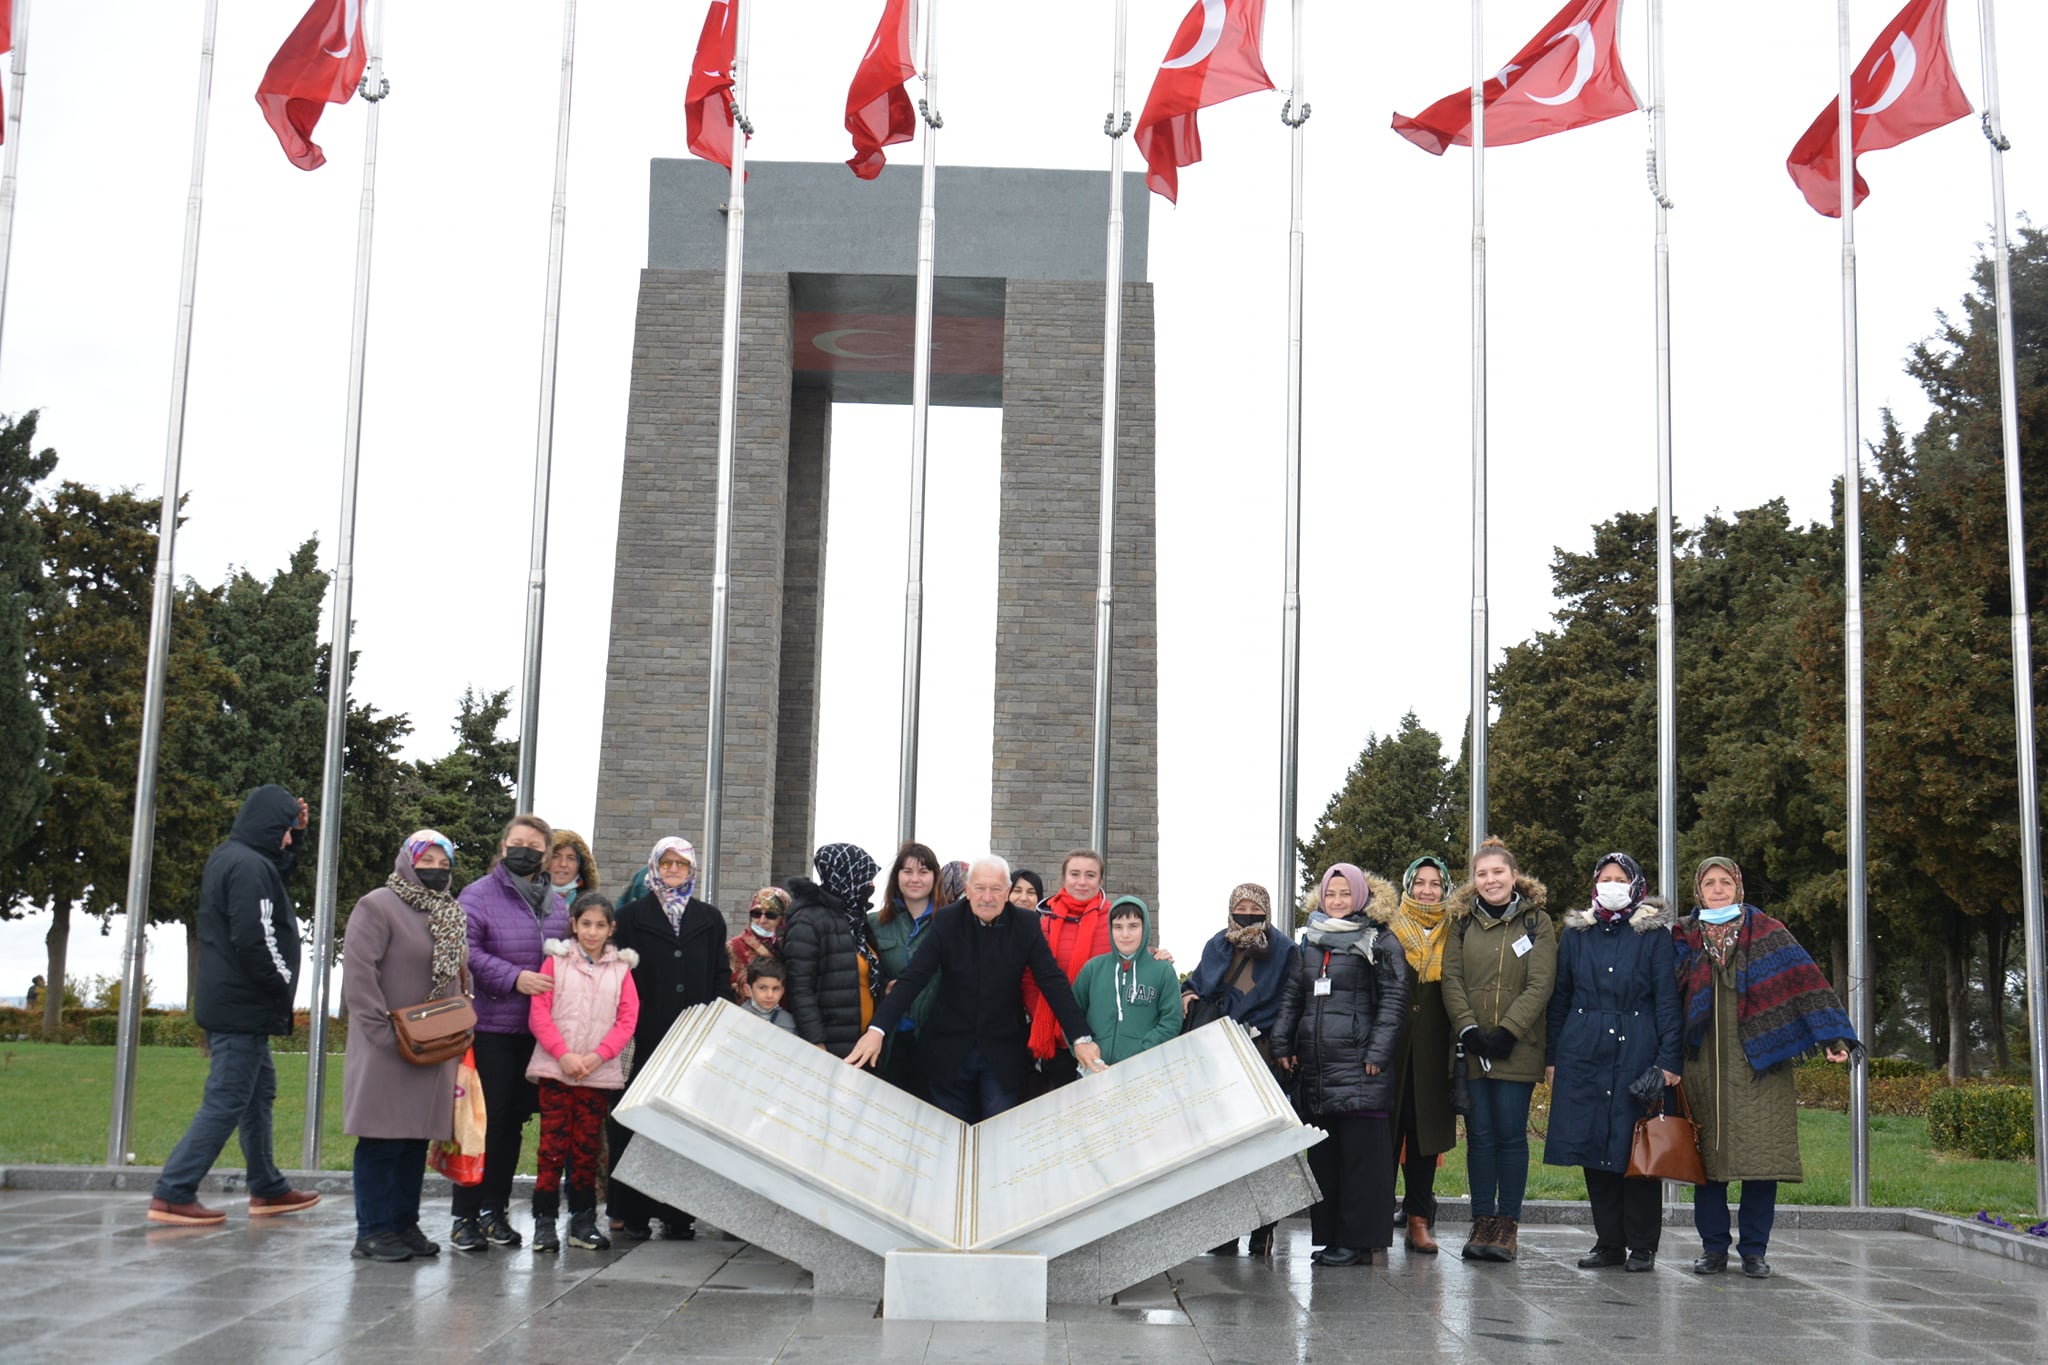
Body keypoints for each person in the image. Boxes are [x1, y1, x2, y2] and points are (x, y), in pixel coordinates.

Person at [1674, 857, 1857, 1279]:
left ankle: (1754, 1250)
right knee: (1707, 1167)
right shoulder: (1682, 938)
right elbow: (1664, 999)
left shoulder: (1770, 933)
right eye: (1709, 883)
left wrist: (1833, 1036)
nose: (1717, 889)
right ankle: (1713, 1250)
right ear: (1698, 892)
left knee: (1762, 1163)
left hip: (1762, 1065)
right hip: (1701, 1068)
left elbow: (1806, 983)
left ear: (1738, 888)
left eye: (1725, 882)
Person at [148, 784, 322, 1227]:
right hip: (241, 1007)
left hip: (237, 1004)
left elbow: (275, 874)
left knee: (257, 1094)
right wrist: (283, 983)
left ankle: (267, 1188)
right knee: (227, 1099)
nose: (287, 839)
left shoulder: (241, 857)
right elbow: (255, 937)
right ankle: (173, 1191)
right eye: (284, 830)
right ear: (267, 826)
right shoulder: (247, 866)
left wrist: (299, 833)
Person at [846, 856, 1104, 1122]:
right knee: (948, 1132)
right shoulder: (947, 920)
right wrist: (877, 1030)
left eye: (996, 889)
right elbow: (913, 978)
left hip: (1002, 1051)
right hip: (949, 1050)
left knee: (998, 1131)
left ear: (1007, 892)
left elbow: (1052, 981)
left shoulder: (1026, 924)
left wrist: (1081, 1039)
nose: (987, 897)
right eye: (980, 888)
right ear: (967, 891)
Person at [1545, 851, 1681, 1273]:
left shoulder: (1655, 936)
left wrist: (1668, 1060)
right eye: (1605, 877)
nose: (1612, 884)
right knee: (1594, 1144)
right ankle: (1609, 1242)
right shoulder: (1576, 935)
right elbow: (1560, 998)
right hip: (1584, 1049)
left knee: (1635, 1147)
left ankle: (1642, 1245)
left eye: (1620, 877)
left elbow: (1667, 1002)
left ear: (1636, 884)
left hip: (1639, 1047)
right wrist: (1552, 1057)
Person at [1272, 863, 1410, 1268]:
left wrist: (1377, 1053)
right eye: (1330, 894)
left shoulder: (1380, 941)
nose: (1336, 901)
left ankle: (1359, 1240)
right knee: (1328, 1158)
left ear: (1360, 896)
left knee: (1361, 1160)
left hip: (1360, 1067)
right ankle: (1334, 1236)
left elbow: (1394, 1000)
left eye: (1344, 894)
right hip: (1318, 1067)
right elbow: (1293, 995)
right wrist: (1283, 1041)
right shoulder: (1311, 942)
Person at [341, 830, 467, 1262]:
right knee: (381, 1138)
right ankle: (373, 1230)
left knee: (414, 1138)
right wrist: (383, 1034)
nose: (435, 866)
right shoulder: (376, 906)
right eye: (426, 858)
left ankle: (402, 1224)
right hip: (386, 1044)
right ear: (408, 860)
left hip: (433, 1046)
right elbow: (359, 974)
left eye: (442, 859)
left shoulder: (450, 912)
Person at [449, 813, 569, 1251]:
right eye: (517, 843)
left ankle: (494, 1211)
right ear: (503, 848)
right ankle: (464, 1214)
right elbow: (468, 951)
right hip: (491, 1027)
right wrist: (514, 978)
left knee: (515, 1122)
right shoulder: (477, 895)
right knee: (484, 1122)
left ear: (547, 855)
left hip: (535, 1032)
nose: (525, 851)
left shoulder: (556, 903)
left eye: (535, 846)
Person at [1440, 837, 1555, 1264]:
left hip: (1516, 1048)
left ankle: (1507, 1224)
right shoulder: (1462, 923)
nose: (1490, 880)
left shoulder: (1535, 922)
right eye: (1482, 874)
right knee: (1480, 1138)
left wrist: (1507, 1031)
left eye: (1498, 872)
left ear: (1513, 876)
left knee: (1510, 1136)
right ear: (1474, 880)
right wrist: (1469, 1029)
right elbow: (1450, 979)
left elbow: (1541, 983)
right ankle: (1481, 1221)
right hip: (1473, 1049)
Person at [610, 836, 727, 1241]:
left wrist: (710, 1027)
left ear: (692, 870)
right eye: (667, 863)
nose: (674, 870)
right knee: (635, 1121)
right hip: (642, 1036)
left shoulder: (709, 919)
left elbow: (719, 979)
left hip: (690, 1040)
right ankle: (632, 1210)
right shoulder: (627, 918)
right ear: (654, 866)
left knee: (682, 1127)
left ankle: (679, 1212)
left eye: (681, 864)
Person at [1182, 882, 1297, 1257]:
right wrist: (1188, 994)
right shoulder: (1217, 944)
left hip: (1261, 1055)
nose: (1248, 912)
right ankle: (1225, 1229)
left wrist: (1283, 1045)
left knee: (1264, 1145)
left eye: (1255, 906)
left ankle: (1263, 1228)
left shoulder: (1284, 951)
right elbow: (1198, 981)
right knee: (1224, 1146)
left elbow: (1291, 1002)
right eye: (1241, 905)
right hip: (1219, 1056)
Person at [526, 892, 638, 1254]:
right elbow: (539, 1013)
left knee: (587, 1147)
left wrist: (597, 1056)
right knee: (552, 1147)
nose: (592, 931)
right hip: (556, 1071)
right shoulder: (555, 962)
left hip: (596, 1073)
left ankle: (583, 1219)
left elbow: (627, 1019)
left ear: (611, 929)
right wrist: (563, 1055)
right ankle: (544, 1221)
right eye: (586, 923)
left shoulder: (621, 969)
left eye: (600, 925)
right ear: (574, 924)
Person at [1386, 855, 1459, 1255]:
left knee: (1424, 1138)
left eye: (1434, 883)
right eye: (1420, 882)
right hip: (1394, 1048)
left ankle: (1418, 1219)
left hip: (1435, 1050)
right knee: (1386, 1133)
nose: (1427, 890)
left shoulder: (1456, 931)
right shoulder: (1390, 930)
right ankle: (1378, 1214)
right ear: (1408, 885)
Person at [782, 843, 884, 1058]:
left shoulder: (855, 921)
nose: (871, 885)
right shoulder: (808, 921)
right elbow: (799, 988)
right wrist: (816, 1042)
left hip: (862, 1045)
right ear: (846, 876)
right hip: (831, 1050)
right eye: (865, 877)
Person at [1023, 849, 1112, 1093]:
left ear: (1100, 881)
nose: (1082, 882)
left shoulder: (1114, 920)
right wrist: (1044, 1013)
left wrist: (1157, 955)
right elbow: (1031, 978)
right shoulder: (1043, 922)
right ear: (1063, 879)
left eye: (1090, 875)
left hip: (1100, 1036)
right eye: (1075, 874)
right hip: (1056, 1035)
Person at [868, 841, 943, 1097]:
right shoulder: (875, 924)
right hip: (890, 1041)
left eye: (923, 871)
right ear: (896, 876)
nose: (915, 879)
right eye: (907, 871)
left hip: (936, 1040)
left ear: (935, 877)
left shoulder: (950, 923)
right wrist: (885, 983)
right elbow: (865, 973)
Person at [1070, 896, 1182, 1065]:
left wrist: (1143, 1050)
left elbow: (1171, 1020)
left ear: (1145, 928)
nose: (1125, 934)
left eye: (1133, 926)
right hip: (1095, 1069)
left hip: (1143, 1069)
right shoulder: (1093, 969)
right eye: (1118, 927)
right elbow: (1072, 1013)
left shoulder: (1162, 970)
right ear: (1110, 929)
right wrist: (1083, 1047)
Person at [727, 886, 790, 1000]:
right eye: (756, 913)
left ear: (782, 918)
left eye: (771, 915)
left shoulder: (792, 948)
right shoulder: (734, 946)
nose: (762, 920)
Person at [546, 829, 599, 917]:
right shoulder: (527, 898)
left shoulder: (593, 904)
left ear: (580, 865)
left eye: (571, 858)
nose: (563, 864)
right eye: (555, 856)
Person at [739, 957, 796, 1033]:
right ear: (747, 990)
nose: (770, 995)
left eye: (775, 989)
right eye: (762, 988)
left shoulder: (789, 1024)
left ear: (782, 991)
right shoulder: (737, 1017)